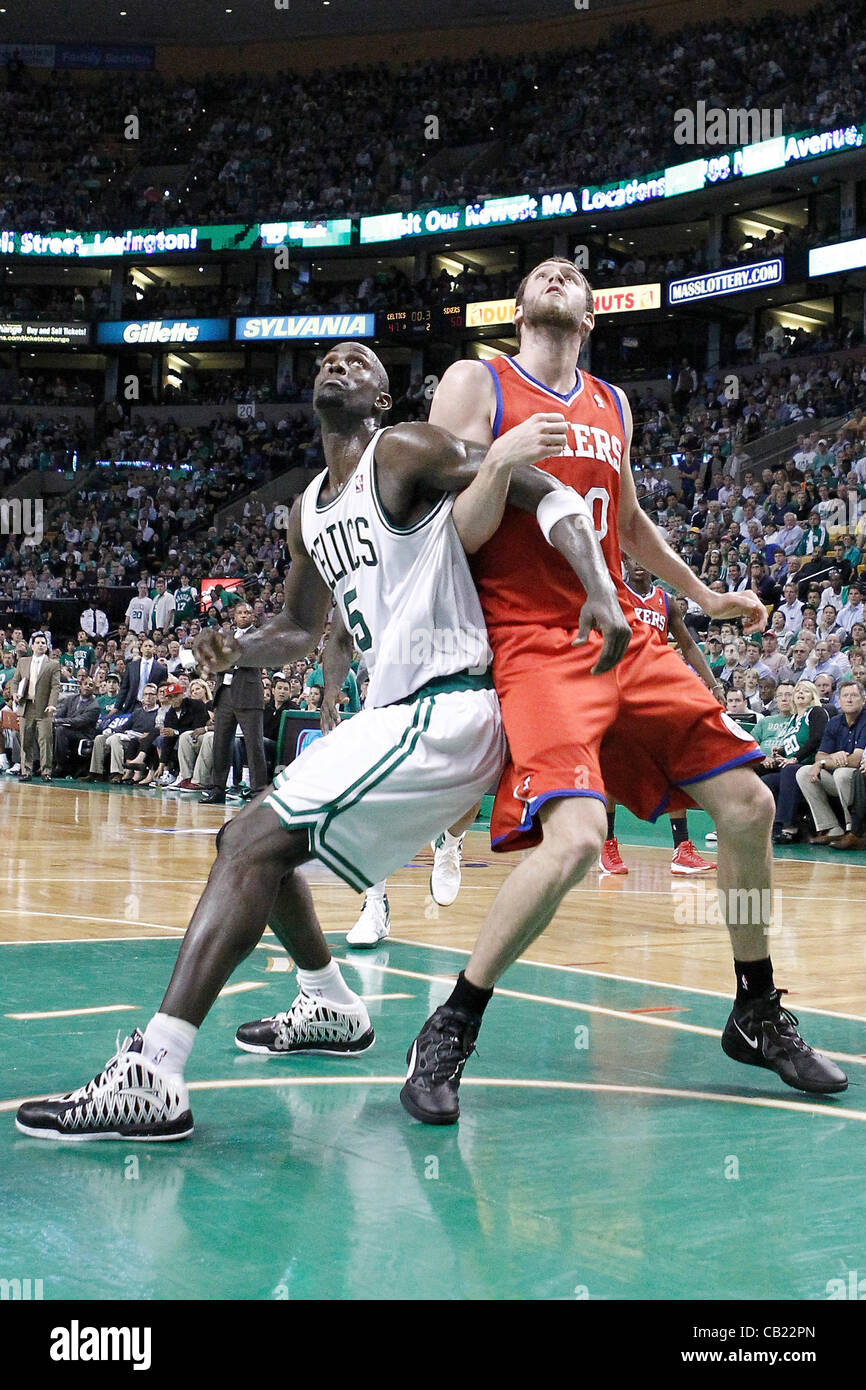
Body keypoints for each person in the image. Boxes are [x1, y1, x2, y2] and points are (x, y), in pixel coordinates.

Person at [16, 339, 629, 1141]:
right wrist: (230, 647)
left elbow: (536, 483)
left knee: (249, 844)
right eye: (329, 360)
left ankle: (155, 1072)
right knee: (257, 848)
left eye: (361, 361)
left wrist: (600, 587)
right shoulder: (308, 507)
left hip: (449, 704)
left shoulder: (405, 446)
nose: (339, 365)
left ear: (382, 398)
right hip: (397, 713)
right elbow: (300, 628)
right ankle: (334, 1004)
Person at [400, 256, 846, 1126]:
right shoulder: (472, 382)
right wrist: (496, 466)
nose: (558, 273)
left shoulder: (613, 403)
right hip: (536, 639)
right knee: (574, 840)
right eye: (542, 271)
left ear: (592, 316)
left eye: (574, 273)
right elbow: (443, 527)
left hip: (632, 637)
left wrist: (707, 598)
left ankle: (754, 1007)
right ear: (521, 304)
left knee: (751, 804)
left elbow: (631, 524)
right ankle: (451, 1023)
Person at [600, 559, 719, 876]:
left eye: (644, 560)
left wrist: (714, 683)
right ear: (624, 561)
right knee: (614, 766)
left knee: (671, 765)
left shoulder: (666, 602)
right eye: (632, 560)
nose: (639, 565)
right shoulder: (612, 592)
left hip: (658, 687)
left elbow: (688, 645)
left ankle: (682, 849)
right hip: (619, 686)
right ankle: (607, 844)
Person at [200, 603, 268, 805]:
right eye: (240, 613)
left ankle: (258, 791)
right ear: (234, 616)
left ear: (253, 617)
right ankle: (218, 788)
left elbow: (254, 659)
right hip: (224, 693)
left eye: (247, 613)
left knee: (254, 745)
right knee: (220, 744)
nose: (244, 616)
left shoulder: (259, 635)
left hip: (248, 693)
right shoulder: (226, 635)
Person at [795, 681, 866, 849]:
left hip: (857, 777)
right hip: (839, 776)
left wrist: (826, 761)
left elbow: (856, 759)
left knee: (842, 773)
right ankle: (832, 828)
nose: (849, 700)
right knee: (804, 772)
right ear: (838, 701)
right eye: (845, 696)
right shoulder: (834, 721)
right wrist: (829, 758)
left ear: (863, 700)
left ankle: (853, 830)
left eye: (854, 696)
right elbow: (820, 755)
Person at [763, 681, 829, 844]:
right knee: (768, 780)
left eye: (806, 691)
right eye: (798, 690)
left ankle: (787, 825)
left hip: (811, 764)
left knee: (789, 770)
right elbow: (793, 744)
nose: (800, 693)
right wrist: (781, 751)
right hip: (793, 765)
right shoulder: (793, 719)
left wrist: (795, 758)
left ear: (813, 695)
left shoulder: (816, 712)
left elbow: (816, 739)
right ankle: (768, 825)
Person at [12, 632, 60, 782]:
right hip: (26, 706)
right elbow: (15, 681)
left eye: (43, 643)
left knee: (45, 740)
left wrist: (52, 704)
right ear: (32, 646)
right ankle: (26, 770)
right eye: (37, 642)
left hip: (44, 708)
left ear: (46, 647)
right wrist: (14, 693)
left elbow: (55, 687)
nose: (40, 645)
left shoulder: (53, 664)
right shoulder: (23, 662)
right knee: (25, 740)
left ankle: (46, 771)